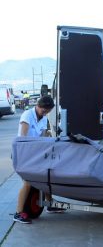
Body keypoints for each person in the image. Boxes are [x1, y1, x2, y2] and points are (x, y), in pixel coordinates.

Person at [14, 96, 65, 224]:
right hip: (23, 153)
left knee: (45, 177)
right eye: (44, 110)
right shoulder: (27, 115)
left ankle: (50, 204)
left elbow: (42, 137)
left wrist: (49, 136)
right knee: (28, 182)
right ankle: (18, 213)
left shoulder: (43, 119)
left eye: (47, 111)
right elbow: (22, 138)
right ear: (38, 105)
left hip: (35, 153)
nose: (45, 113)